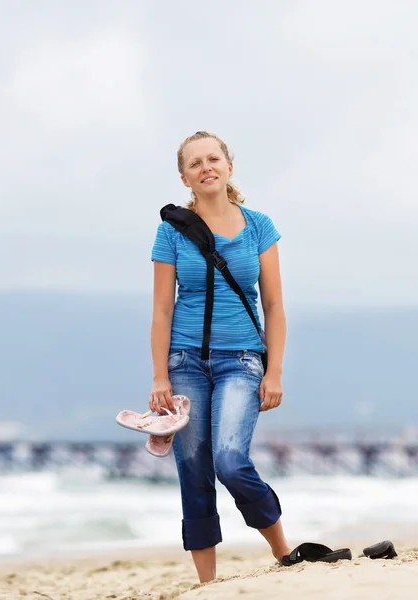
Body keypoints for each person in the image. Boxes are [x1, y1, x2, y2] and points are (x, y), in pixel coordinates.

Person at [148, 131, 290, 583]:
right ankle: (207, 584)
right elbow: (162, 309)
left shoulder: (260, 226)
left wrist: (275, 372)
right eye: (195, 163)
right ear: (185, 176)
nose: (205, 167)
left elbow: (274, 306)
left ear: (229, 166)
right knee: (192, 469)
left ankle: (284, 551)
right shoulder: (171, 231)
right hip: (185, 362)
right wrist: (158, 378)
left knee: (230, 460)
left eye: (213, 158)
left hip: (244, 362)